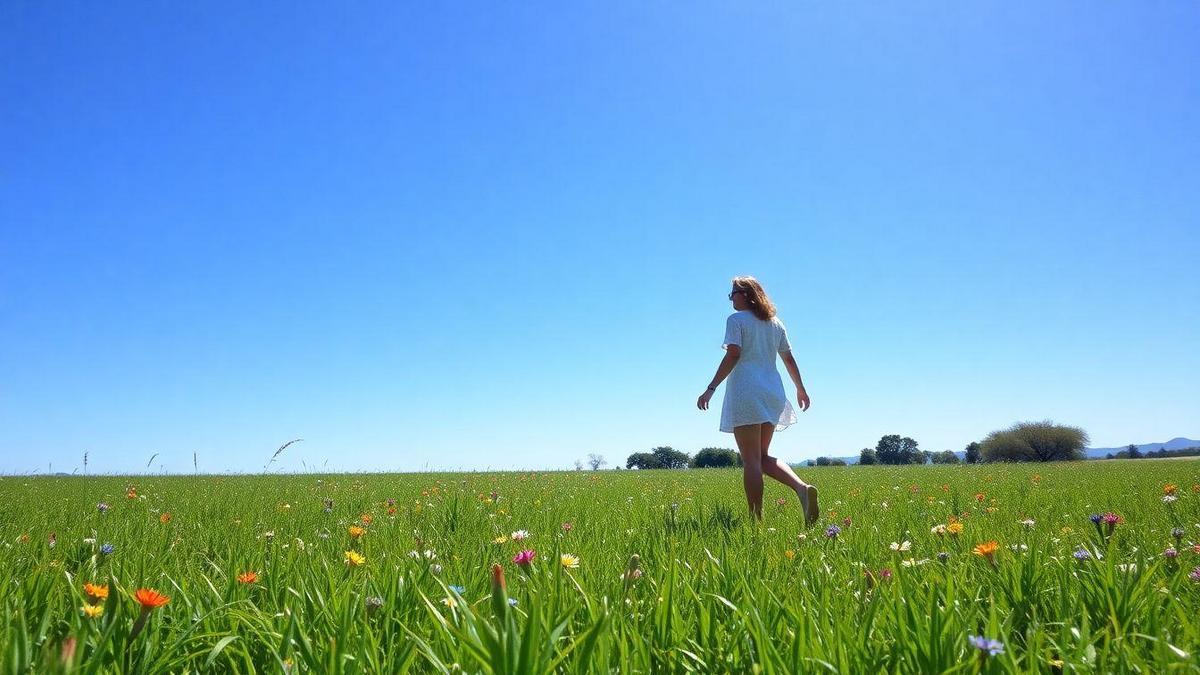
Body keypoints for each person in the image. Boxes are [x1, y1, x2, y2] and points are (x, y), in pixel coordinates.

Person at [696, 276, 817, 523]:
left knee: (750, 460)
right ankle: (802, 489)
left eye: (733, 294)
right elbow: (789, 359)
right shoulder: (775, 324)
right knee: (761, 457)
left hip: (747, 392)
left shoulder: (736, 321)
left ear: (747, 295)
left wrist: (711, 388)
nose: (731, 299)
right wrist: (800, 389)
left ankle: (755, 520)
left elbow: (733, 354)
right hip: (772, 393)